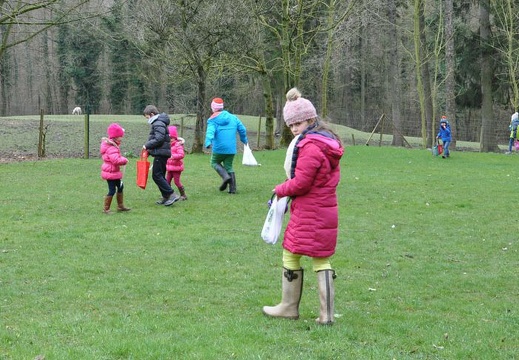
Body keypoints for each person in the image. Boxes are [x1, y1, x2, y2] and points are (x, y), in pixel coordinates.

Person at [262, 88, 344, 325]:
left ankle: (289, 307)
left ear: (311, 119)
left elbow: (302, 182)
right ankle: (326, 315)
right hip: (325, 209)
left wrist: (280, 190)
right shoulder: (326, 141)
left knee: (290, 253)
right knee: (321, 258)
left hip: (310, 210)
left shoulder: (310, 146)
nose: (295, 128)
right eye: (291, 125)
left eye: (298, 123)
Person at [204, 97, 248, 194]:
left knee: (214, 162)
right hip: (231, 149)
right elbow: (242, 129)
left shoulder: (212, 120)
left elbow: (210, 132)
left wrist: (208, 142)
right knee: (229, 166)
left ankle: (225, 176)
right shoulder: (233, 118)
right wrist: (244, 140)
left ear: (213, 108)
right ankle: (232, 189)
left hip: (219, 148)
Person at [142, 105, 179, 206]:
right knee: (160, 175)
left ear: (152, 114)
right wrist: (149, 150)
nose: (147, 120)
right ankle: (165, 196)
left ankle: (171, 194)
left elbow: (159, 139)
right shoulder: (159, 122)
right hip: (161, 152)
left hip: (161, 153)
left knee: (156, 175)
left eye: (147, 117)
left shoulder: (158, 123)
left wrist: (147, 145)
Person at [100, 123, 130, 214]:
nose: (122, 138)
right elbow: (115, 160)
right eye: (121, 136)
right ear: (116, 137)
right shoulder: (111, 148)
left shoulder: (113, 145)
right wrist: (124, 160)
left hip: (114, 172)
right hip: (110, 173)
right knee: (112, 190)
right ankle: (106, 209)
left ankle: (120, 206)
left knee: (120, 187)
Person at [166, 126, 187, 200]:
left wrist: (173, 156)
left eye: (171, 138)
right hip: (169, 167)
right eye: (169, 138)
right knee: (167, 182)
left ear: (175, 138)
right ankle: (168, 195)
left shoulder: (178, 145)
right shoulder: (168, 146)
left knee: (177, 182)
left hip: (176, 168)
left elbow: (181, 155)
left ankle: (183, 195)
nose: (170, 140)